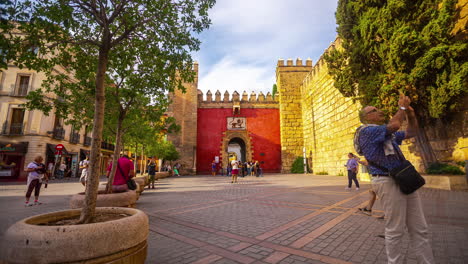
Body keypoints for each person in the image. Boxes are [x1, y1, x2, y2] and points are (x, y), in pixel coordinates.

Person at [356, 94, 434, 264]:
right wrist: (403, 107)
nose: (379, 111)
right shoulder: (367, 131)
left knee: (419, 228)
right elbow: (395, 124)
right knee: (395, 229)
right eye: (374, 110)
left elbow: (411, 132)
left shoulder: (385, 134)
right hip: (386, 181)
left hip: (402, 179)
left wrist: (411, 114)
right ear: (366, 118)